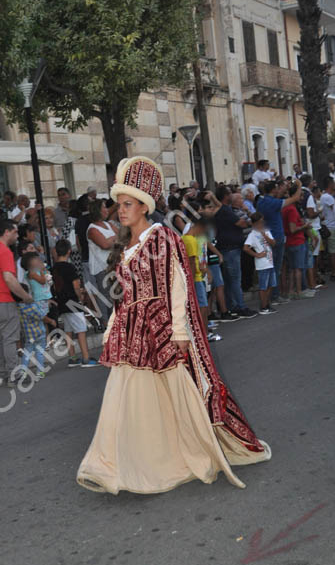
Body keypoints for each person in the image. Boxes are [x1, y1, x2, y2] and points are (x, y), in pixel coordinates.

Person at [76, 156, 271, 495]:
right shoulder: (128, 247)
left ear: (143, 206)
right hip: (132, 331)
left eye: (126, 204)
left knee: (175, 397)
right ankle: (118, 463)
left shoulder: (160, 237)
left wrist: (179, 331)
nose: (120, 211)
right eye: (118, 205)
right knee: (124, 400)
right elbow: (124, 297)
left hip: (159, 327)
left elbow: (177, 283)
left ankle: (178, 455)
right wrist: (112, 328)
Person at [0, 219, 32, 386]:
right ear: (6, 232)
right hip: (2, 300)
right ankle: (13, 376)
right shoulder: (4, 251)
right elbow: (9, 279)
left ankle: (2, 374)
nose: (17, 235)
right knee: (9, 338)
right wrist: (25, 296)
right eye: (15, 232)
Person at [52, 239, 98, 367]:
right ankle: (86, 358)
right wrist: (81, 296)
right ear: (69, 251)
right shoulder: (70, 267)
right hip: (73, 301)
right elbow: (76, 285)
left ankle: (72, 358)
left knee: (68, 330)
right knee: (81, 329)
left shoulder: (54, 267)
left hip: (61, 301)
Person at [214, 186, 257, 318]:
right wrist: (247, 212)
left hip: (229, 247)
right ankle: (240, 306)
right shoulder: (226, 211)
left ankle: (231, 305)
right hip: (230, 249)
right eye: (230, 193)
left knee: (229, 280)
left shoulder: (225, 210)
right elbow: (242, 223)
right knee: (234, 279)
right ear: (226, 196)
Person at [256, 179, 302, 302]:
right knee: (276, 268)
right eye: (277, 188)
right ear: (273, 190)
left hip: (266, 236)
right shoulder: (274, 203)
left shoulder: (261, 202)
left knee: (269, 267)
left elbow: (280, 198)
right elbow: (295, 198)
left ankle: (270, 295)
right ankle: (274, 296)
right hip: (276, 237)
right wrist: (299, 185)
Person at [87, 199, 116, 325]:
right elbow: (104, 244)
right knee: (105, 296)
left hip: (114, 265)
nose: (107, 209)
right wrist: (115, 238)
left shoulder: (109, 224)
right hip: (101, 267)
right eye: (104, 207)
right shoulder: (92, 229)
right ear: (97, 211)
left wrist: (112, 240)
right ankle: (105, 323)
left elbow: (123, 237)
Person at [282, 188, 314, 300]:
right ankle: (299, 291)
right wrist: (304, 226)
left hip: (290, 242)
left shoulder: (287, 208)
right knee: (298, 268)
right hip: (296, 241)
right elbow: (292, 229)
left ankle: (291, 291)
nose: (301, 198)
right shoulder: (291, 209)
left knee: (292, 268)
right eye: (299, 196)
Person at [243, 212, 277, 314]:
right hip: (262, 264)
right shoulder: (252, 235)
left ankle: (266, 303)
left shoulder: (266, 231)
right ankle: (263, 306)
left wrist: (264, 235)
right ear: (254, 224)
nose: (261, 225)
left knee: (271, 284)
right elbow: (245, 248)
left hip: (270, 262)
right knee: (263, 286)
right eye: (259, 223)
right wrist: (256, 255)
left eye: (262, 222)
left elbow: (273, 243)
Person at [17, 284, 51, 379]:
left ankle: (23, 371)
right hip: (39, 333)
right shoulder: (31, 306)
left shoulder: (18, 307)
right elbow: (41, 316)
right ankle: (40, 372)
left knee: (27, 352)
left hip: (28, 335)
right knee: (39, 352)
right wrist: (51, 321)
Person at [320, 177, 335, 280]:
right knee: (333, 251)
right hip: (332, 226)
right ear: (330, 184)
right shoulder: (329, 198)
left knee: (333, 250)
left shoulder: (324, 196)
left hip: (330, 225)